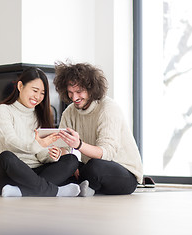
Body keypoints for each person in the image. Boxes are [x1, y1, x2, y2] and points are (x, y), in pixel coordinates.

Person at [53, 62, 143, 196]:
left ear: (91, 89)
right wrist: (69, 161)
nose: (74, 98)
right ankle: (85, 187)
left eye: (79, 92)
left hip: (123, 173)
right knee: (61, 166)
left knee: (95, 167)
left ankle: (82, 187)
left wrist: (78, 145)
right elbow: (62, 147)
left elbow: (107, 154)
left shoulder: (108, 108)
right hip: (90, 167)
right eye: (70, 93)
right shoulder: (69, 112)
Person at [0, 67, 80, 197]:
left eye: (42, 93)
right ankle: (56, 191)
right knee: (6, 157)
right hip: (8, 175)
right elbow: (10, 142)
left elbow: (40, 155)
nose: (38, 97)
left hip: (34, 173)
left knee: (71, 160)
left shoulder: (40, 115)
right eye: (35, 90)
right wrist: (38, 144)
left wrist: (52, 155)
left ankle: (20, 191)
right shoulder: (2, 111)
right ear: (20, 86)